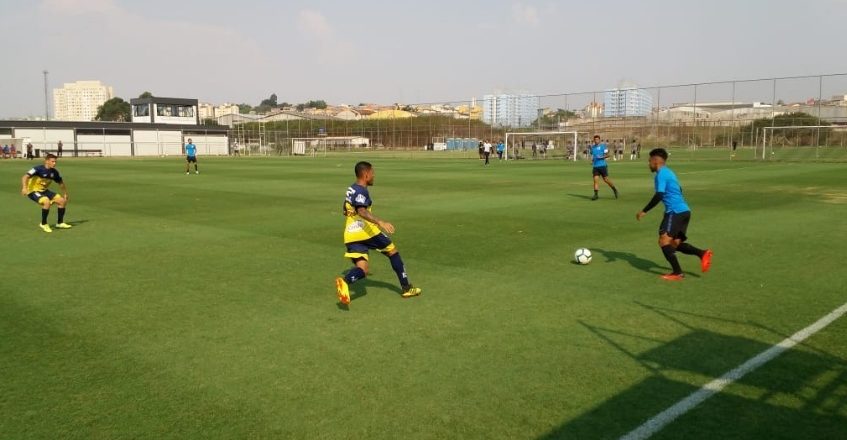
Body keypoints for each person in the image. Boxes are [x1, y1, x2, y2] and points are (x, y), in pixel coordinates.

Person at [335, 161, 422, 305]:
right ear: (366, 174)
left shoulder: (351, 188)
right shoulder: (362, 190)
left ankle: (345, 282)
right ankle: (406, 287)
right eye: (372, 173)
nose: (374, 175)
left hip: (350, 234)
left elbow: (345, 209)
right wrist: (380, 222)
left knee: (363, 269)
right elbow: (361, 211)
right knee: (392, 251)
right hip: (366, 231)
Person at [636, 148, 712, 281]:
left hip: (674, 212)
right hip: (684, 211)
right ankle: (702, 253)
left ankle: (677, 273)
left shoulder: (661, 175)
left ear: (655, 161)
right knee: (674, 243)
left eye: (649, 161)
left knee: (663, 241)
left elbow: (659, 194)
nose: (648, 164)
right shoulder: (669, 172)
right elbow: (679, 189)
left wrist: (644, 211)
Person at [20, 154, 72, 233]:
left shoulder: (54, 172)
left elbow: (61, 183)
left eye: (55, 162)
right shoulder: (37, 169)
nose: (54, 163)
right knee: (46, 201)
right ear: (46, 161)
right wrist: (24, 187)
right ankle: (43, 223)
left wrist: (65, 193)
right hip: (33, 191)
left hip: (44, 190)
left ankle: (60, 223)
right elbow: (25, 177)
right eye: (52, 161)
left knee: (62, 201)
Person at [590, 135, 619, 200]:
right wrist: (592, 161)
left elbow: (608, 155)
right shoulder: (592, 148)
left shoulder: (603, 147)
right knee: (595, 180)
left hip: (602, 166)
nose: (596, 141)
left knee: (606, 180)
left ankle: (614, 189)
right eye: (595, 139)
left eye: (597, 139)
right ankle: (596, 195)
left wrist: (602, 157)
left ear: (599, 140)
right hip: (595, 167)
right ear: (594, 140)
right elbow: (593, 156)